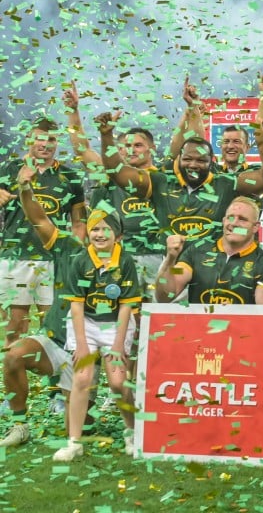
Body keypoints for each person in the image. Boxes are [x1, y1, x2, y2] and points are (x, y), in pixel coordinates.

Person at [15, 166, 141, 461]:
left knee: (118, 382)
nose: (99, 233)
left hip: (116, 325)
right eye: (95, 228)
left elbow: (126, 306)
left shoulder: (125, 261)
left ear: (118, 234)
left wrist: (118, 345)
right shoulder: (79, 259)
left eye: (106, 229)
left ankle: (132, 431)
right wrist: (82, 345)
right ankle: (74, 442)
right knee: (82, 379)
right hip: (85, 324)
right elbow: (76, 306)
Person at [97, 110, 263, 245]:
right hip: (171, 270)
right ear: (179, 159)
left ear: (211, 162)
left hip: (213, 270)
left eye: (201, 160)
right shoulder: (160, 181)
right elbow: (117, 172)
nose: (193, 165)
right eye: (187, 159)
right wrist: (106, 136)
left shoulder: (226, 183)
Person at [63, 80, 166, 292]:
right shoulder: (107, 175)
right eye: (125, 146)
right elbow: (82, 149)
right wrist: (73, 111)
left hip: (158, 256)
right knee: (117, 308)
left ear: (152, 148)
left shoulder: (163, 178)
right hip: (118, 255)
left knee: (157, 311)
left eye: (138, 145)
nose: (131, 150)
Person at [0, 117, 86, 347]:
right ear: (28, 139)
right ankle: (13, 369)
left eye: (51, 139)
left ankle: (53, 370)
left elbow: (79, 222)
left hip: (54, 260)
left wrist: (72, 254)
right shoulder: (8, 169)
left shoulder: (70, 176)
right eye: (39, 138)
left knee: (54, 328)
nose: (45, 144)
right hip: (16, 257)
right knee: (15, 328)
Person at [154, 196, 263, 305]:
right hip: (197, 327)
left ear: (255, 227)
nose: (234, 224)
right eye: (230, 218)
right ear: (223, 221)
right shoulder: (197, 252)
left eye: (242, 219)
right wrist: (170, 259)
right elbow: (164, 297)